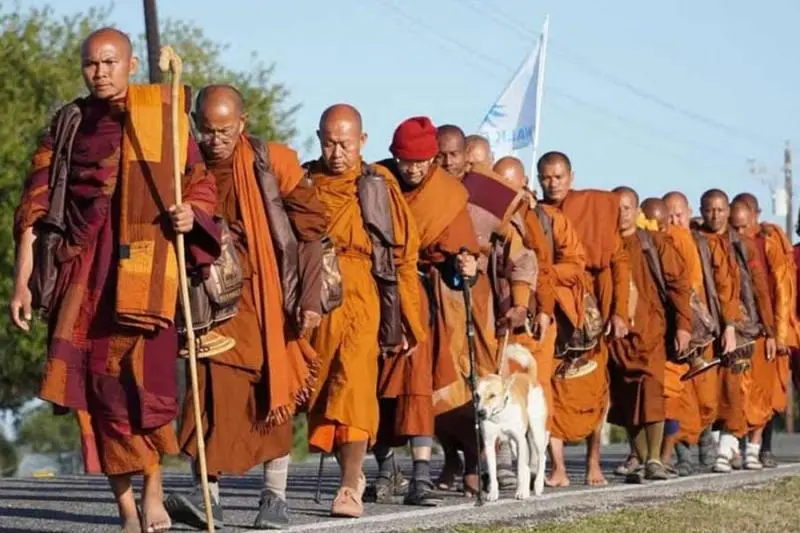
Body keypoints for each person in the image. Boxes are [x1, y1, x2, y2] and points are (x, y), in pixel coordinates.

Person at [11, 28, 220, 533]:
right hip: (81, 274)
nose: (100, 72)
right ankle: (127, 508)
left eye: (109, 62)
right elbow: (35, 209)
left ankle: (152, 489)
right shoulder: (69, 124)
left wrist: (191, 215)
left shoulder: (160, 116)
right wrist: (23, 282)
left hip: (146, 271)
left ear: (129, 65)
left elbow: (200, 184)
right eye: (90, 64)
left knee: (141, 388)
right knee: (98, 392)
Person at [164, 85, 328, 530]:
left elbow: (313, 228)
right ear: (195, 123)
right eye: (207, 130)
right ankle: (209, 498)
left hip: (266, 298)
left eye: (225, 130)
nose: (215, 139)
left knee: (267, 394)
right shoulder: (183, 167)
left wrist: (308, 298)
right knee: (208, 397)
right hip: (206, 300)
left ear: (243, 122)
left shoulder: (272, 162)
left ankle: (274, 498)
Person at [304, 104, 426, 518]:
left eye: (345, 143)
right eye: (328, 142)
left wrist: (409, 321)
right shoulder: (306, 181)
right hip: (316, 296)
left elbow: (403, 256)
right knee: (322, 391)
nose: (336, 152)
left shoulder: (377, 185)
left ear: (363, 141)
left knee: (353, 387)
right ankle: (351, 473)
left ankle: (348, 487)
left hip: (361, 294)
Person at [370, 116, 480, 506]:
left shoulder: (446, 194)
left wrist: (467, 267)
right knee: (370, 384)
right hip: (373, 291)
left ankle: (420, 477)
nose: (413, 169)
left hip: (417, 299)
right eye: (406, 161)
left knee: (417, 387)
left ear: (432, 160)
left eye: (421, 162)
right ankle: (384, 470)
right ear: (394, 156)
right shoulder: (374, 181)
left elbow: (458, 258)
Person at [537, 151, 631, 487]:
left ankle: (594, 463)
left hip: (592, 309)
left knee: (592, 386)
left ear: (571, 177)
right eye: (546, 177)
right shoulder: (537, 213)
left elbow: (619, 262)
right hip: (555, 304)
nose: (553, 183)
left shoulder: (595, 207)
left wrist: (620, 311)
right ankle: (558, 467)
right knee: (553, 385)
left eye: (559, 176)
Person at [610, 189, 692, 482]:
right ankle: (644, 460)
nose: (622, 214)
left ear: (637, 211)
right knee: (627, 396)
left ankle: (655, 458)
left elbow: (679, 286)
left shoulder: (653, 243)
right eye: (616, 208)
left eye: (628, 208)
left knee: (653, 391)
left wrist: (683, 325)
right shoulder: (605, 245)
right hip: (617, 336)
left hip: (652, 330)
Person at [697, 189, 775, 473]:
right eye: (709, 210)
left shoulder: (742, 245)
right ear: (702, 210)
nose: (715, 216)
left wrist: (770, 331)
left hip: (742, 327)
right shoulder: (697, 241)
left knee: (735, 388)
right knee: (709, 392)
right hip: (705, 326)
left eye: (720, 210)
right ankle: (722, 447)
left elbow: (759, 290)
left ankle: (727, 450)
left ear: (727, 211)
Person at [662, 191, 719, 474]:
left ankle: (707, 433)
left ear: (688, 213)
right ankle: (683, 452)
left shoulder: (701, 242)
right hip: (674, 328)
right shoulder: (661, 242)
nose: (674, 220)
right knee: (678, 394)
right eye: (669, 215)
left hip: (704, 326)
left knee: (706, 395)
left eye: (678, 214)